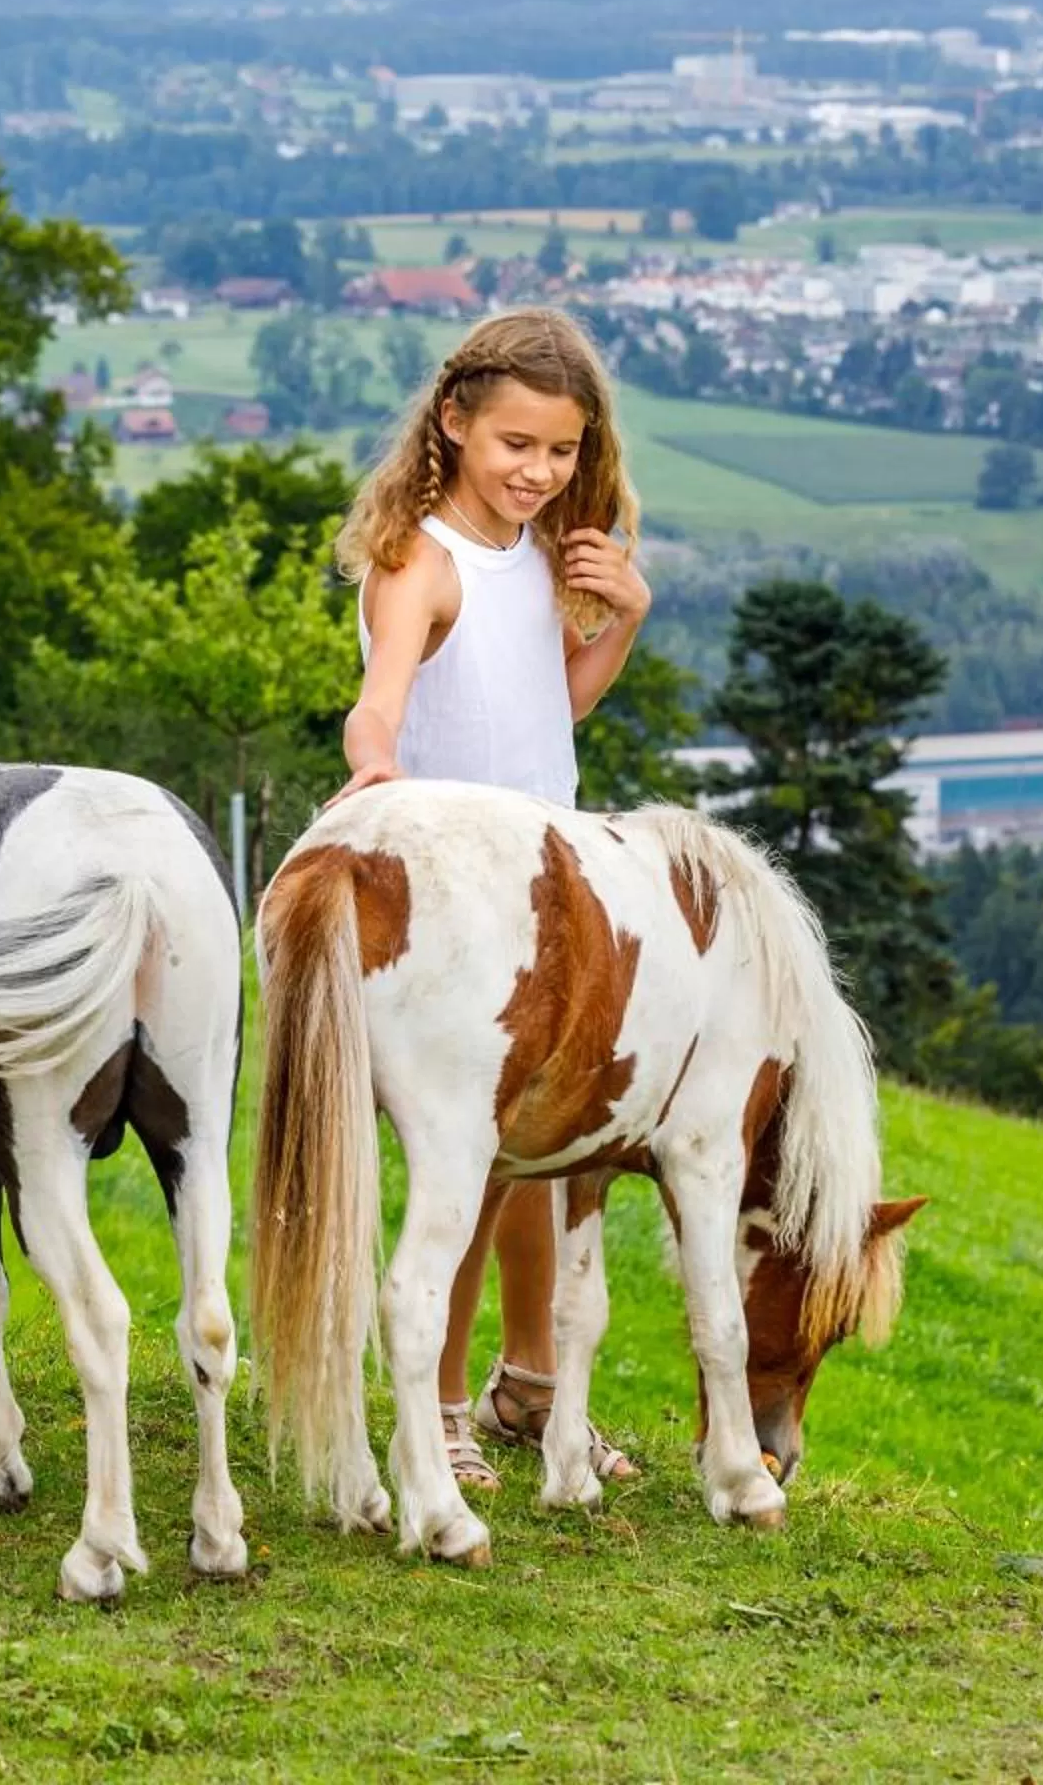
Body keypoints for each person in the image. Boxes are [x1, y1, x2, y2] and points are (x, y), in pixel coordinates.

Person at [331, 308, 654, 1493]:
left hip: (545, 882)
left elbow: (551, 715)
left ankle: (534, 1384)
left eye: (562, 451)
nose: (538, 471)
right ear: (455, 421)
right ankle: (448, 1401)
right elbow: (385, 692)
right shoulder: (421, 555)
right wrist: (375, 756)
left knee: (548, 1155)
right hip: (453, 894)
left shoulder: (537, 558)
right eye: (516, 443)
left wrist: (623, 615)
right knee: (469, 1163)